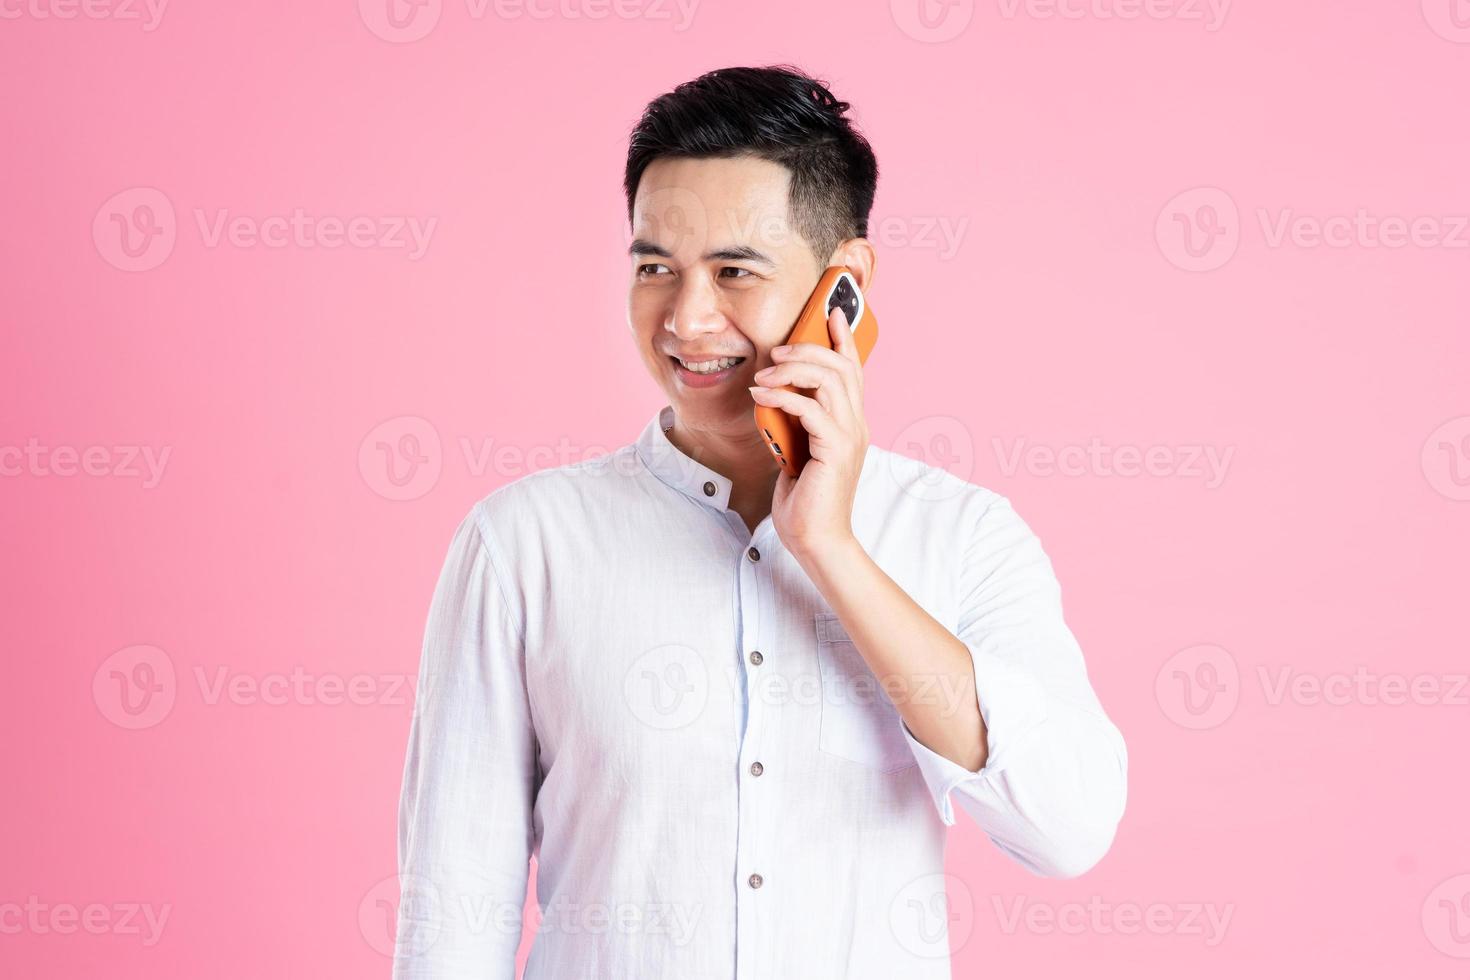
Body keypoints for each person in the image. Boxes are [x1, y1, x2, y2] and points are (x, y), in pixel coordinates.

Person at [392, 64, 1127, 980]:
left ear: (843, 285)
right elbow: (454, 913)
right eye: (656, 267)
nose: (687, 319)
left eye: (735, 271)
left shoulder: (963, 536)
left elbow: (1066, 827)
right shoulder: (523, 546)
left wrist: (832, 550)